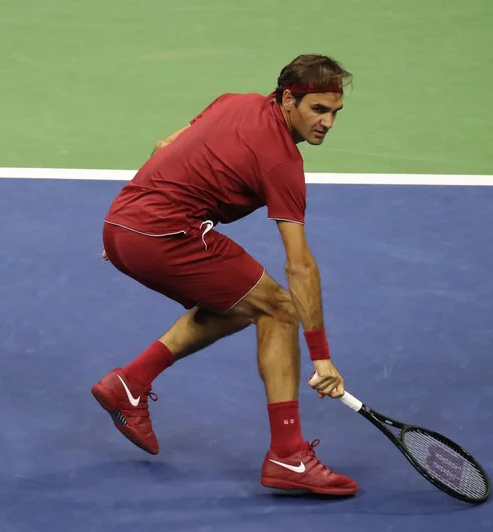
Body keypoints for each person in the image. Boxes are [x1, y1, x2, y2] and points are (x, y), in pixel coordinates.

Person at [92, 54, 357, 496]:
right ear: (289, 99)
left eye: (335, 112)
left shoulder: (234, 102)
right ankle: (288, 455)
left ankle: (130, 382)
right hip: (163, 233)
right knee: (279, 309)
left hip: (123, 221)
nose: (328, 122)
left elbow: (164, 148)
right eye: (318, 110)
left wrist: (126, 225)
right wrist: (322, 357)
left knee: (239, 304)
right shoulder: (282, 163)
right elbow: (300, 264)